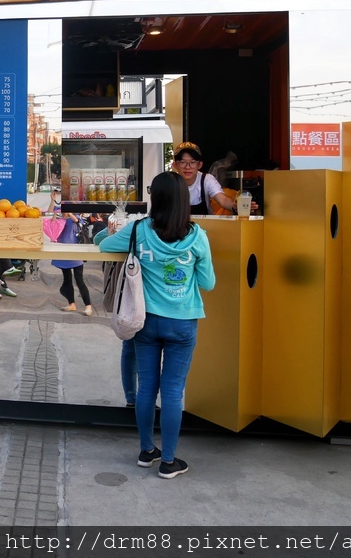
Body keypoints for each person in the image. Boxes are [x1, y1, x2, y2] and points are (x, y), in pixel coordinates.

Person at [94, 171, 216, 480]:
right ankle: (169, 461)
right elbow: (208, 283)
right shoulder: (198, 236)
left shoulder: (139, 231)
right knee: (173, 392)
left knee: (147, 387)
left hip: (145, 322)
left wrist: (109, 230)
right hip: (182, 324)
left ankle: (147, 451)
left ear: (155, 198)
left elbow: (102, 243)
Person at [172, 141, 238, 215]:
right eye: (182, 162)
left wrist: (235, 207)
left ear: (200, 165)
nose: (187, 167)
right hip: (176, 225)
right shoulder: (170, 182)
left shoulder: (206, 179)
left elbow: (223, 200)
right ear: (175, 165)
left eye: (192, 162)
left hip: (203, 225)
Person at [53, 212, 93, 315]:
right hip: (63, 253)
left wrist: (69, 212)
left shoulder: (74, 218)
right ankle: (71, 304)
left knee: (79, 280)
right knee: (67, 280)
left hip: (75, 253)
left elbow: (76, 220)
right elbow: (52, 223)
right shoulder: (60, 219)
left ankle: (88, 306)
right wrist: (53, 203)